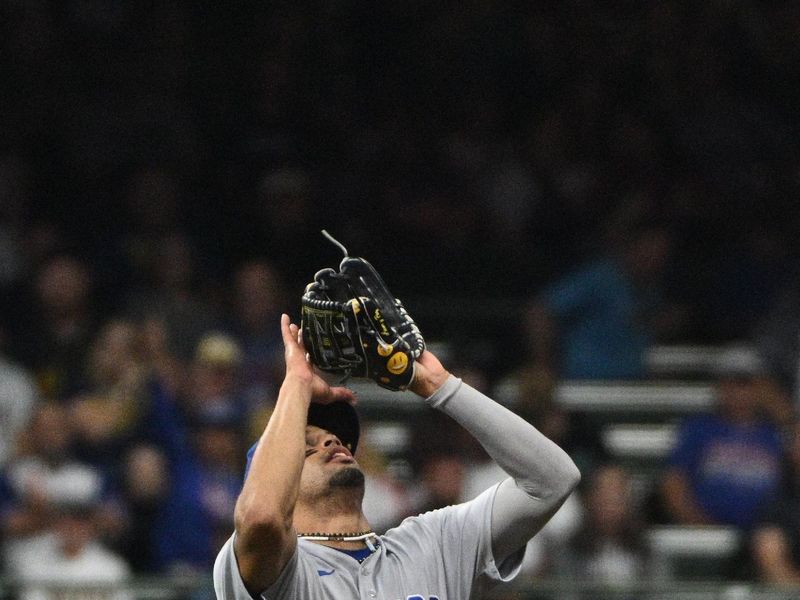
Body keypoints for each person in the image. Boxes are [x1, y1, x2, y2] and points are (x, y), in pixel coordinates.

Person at [214, 314, 581, 599]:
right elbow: (262, 517)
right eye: (306, 448)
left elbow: (552, 481)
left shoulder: (434, 543)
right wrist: (296, 382)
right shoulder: (277, 570)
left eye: (334, 438)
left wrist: (440, 388)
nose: (329, 442)